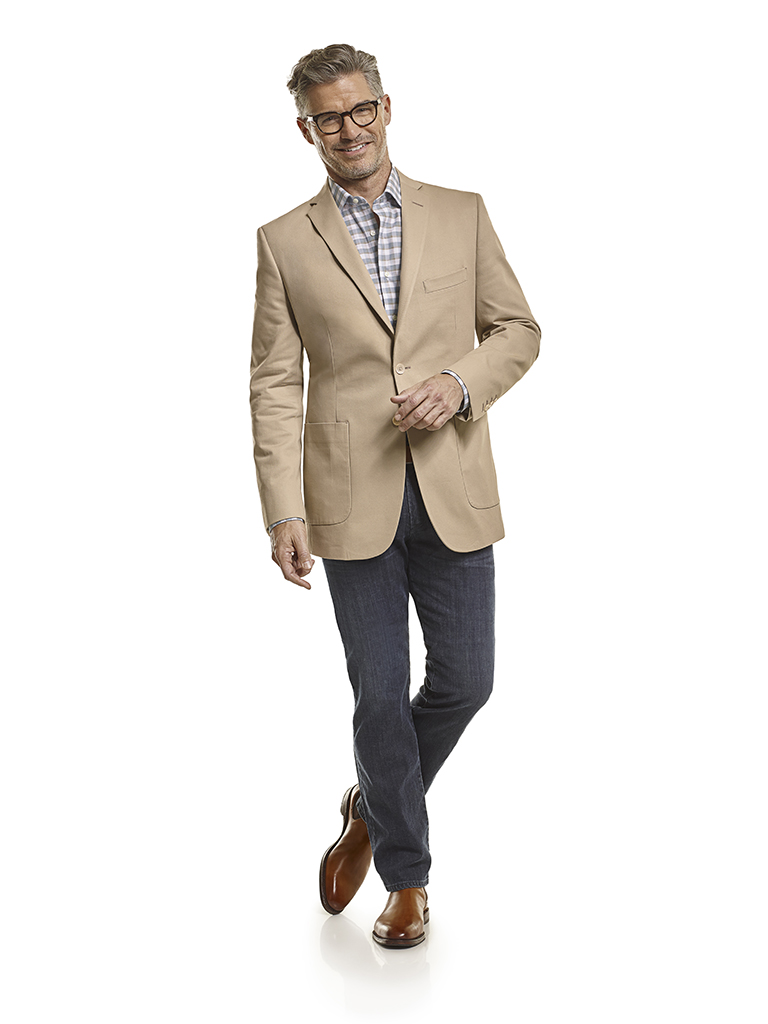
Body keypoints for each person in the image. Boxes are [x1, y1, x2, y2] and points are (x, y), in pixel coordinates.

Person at [249, 43, 540, 948]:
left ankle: (371, 805)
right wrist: (282, 509)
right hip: (348, 497)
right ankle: (406, 879)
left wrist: (458, 384)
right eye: (327, 118)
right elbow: (274, 382)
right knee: (378, 696)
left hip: (453, 482)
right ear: (305, 130)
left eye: (360, 109)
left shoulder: (462, 212)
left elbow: (518, 329)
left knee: (467, 681)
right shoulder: (283, 241)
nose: (349, 129)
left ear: (386, 107)